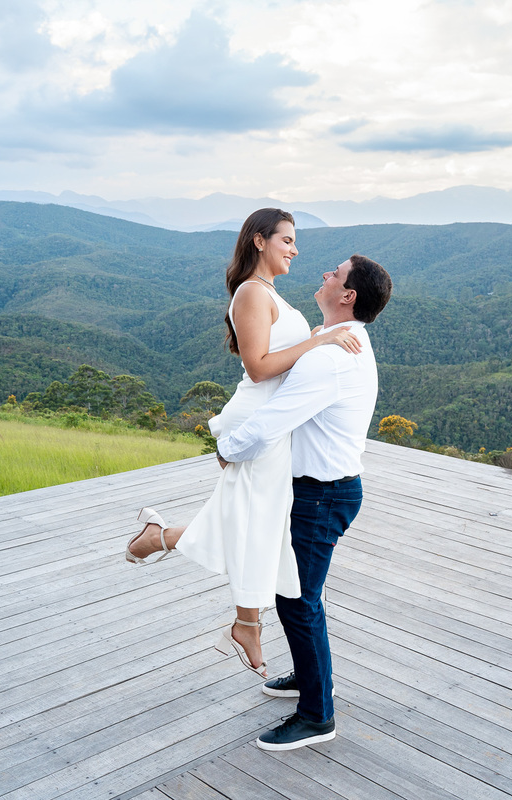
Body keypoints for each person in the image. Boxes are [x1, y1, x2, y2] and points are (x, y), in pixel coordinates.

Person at [125, 208, 360, 678]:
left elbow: (279, 353)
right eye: (287, 240)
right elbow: (258, 366)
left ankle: (167, 545)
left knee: (252, 520)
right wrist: (319, 343)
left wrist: (317, 337)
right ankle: (244, 621)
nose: (295, 250)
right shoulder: (252, 292)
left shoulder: (269, 293)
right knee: (257, 523)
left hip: (272, 424)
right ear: (259, 241)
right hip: (260, 421)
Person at [214, 253, 393, 752]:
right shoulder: (334, 341)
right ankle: (311, 677)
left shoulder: (332, 356)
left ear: (348, 295)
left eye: (334, 273)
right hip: (323, 490)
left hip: (321, 494)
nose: (324, 275)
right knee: (300, 595)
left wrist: (226, 449)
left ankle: (317, 714)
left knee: (297, 599)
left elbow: (276, 418)